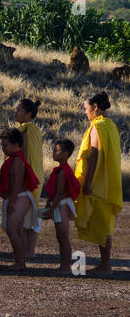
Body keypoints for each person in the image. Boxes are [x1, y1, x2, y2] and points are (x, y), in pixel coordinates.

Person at [74, 91, 121, 274]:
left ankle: (105, 265)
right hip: (109, 181)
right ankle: (105, 264)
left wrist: (88, 182)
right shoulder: (111, 125)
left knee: (102, 225)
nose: (85, 112)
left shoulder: (98, 126)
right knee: (106, 223)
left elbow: (94, 155)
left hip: (98, 183)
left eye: (86, 109)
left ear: (95, 108)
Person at [0, 128, 40, 271]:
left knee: (12, 229)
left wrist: (11, 202)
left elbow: (17, 183)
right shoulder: (13, 158)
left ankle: (20, 261)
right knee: (17, 229)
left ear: (16, 145)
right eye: (2, 145)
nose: (3, 148)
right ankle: (20, 261)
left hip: (20, 197)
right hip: (18, 197)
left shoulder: (17, 160)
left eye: (5, 145)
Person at [39, 139, 78, 275]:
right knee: (61, 237)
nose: (54, 152)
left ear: (66, 154)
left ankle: (66, 267)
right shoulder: (61, 170)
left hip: (61, 205)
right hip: (60, 204)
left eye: (57, 150)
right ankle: (64, 265)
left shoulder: (62, 171)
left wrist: (50, 209)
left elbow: (60, 192)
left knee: (63, 236)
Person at [14, 99, 45, 257]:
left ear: (28, 114)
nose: (15, 112)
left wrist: (21, 176)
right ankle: (27, 249)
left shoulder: (26, 129)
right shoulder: (34, 129)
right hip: (37, 175)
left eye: (18, 110)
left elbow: (24, 155)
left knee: (29, 213)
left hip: (30, 176)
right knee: (30, 212)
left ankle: (29, 250)